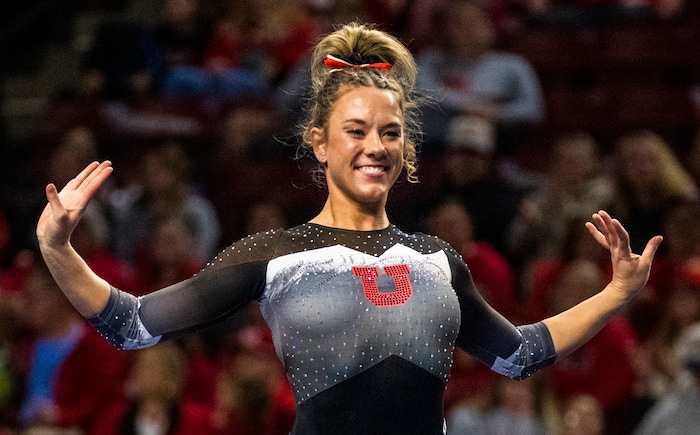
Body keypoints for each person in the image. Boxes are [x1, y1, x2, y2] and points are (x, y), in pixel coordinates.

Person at [35, 22, 662, 435]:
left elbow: (519, 354)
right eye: (356, 131)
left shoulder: (438, 261)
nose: (376, 146)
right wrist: (57, 248)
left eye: (390, 132)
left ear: (406, 149)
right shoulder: (274, 255)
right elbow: (130, 324)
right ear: (320, 144)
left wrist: (615, 294)